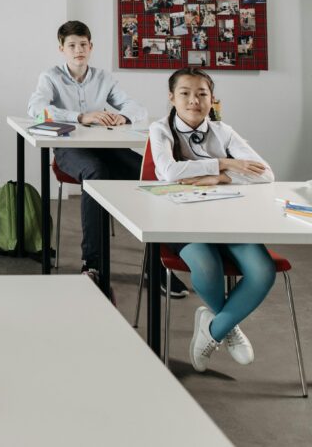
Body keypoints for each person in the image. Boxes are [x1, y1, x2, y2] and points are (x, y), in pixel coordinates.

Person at [26, 21, 188, 295]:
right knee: (96, 175)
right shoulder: (50, 77)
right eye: (72, 45)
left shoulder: (103, 78)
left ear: (91, 46)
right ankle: (93, 265)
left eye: (83, 44)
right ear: (62, 49)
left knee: (153, 175)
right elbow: (36, 109)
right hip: (69, 149)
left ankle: (160, 264)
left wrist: (122, 115)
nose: (79, 50)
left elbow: (136, 107)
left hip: (106, 145)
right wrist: (80, 116)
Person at [149, 67, 275, 372]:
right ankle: (228, 328)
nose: (194, 100)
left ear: (212, 98)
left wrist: (221, 179)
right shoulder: (161, 129)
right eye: (185, 93)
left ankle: (215, 328)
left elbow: (266, 175)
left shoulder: (224, 132)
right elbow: (169, 172)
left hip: (228, 219)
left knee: (263, 271)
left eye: (202, 94)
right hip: (181, 220)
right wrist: (225, 163)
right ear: (171, 98)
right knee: (206, 264)